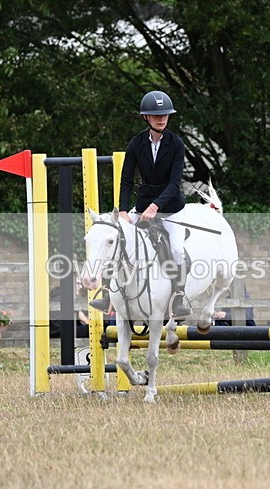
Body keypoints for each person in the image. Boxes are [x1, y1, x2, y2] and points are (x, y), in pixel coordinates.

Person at [89, 90, 191, 318]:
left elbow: (175, 182)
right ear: (146, 117)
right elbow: (126, 180)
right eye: (156, 115)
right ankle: (106, 292)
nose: (162, 118)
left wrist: (155, 207)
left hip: (170, 208)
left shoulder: (177, 144)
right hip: (142, 206)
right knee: (114, 237)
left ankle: (179, 297)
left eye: (165, 114)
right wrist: (124, 211)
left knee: (175, 248)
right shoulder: (136, 144)